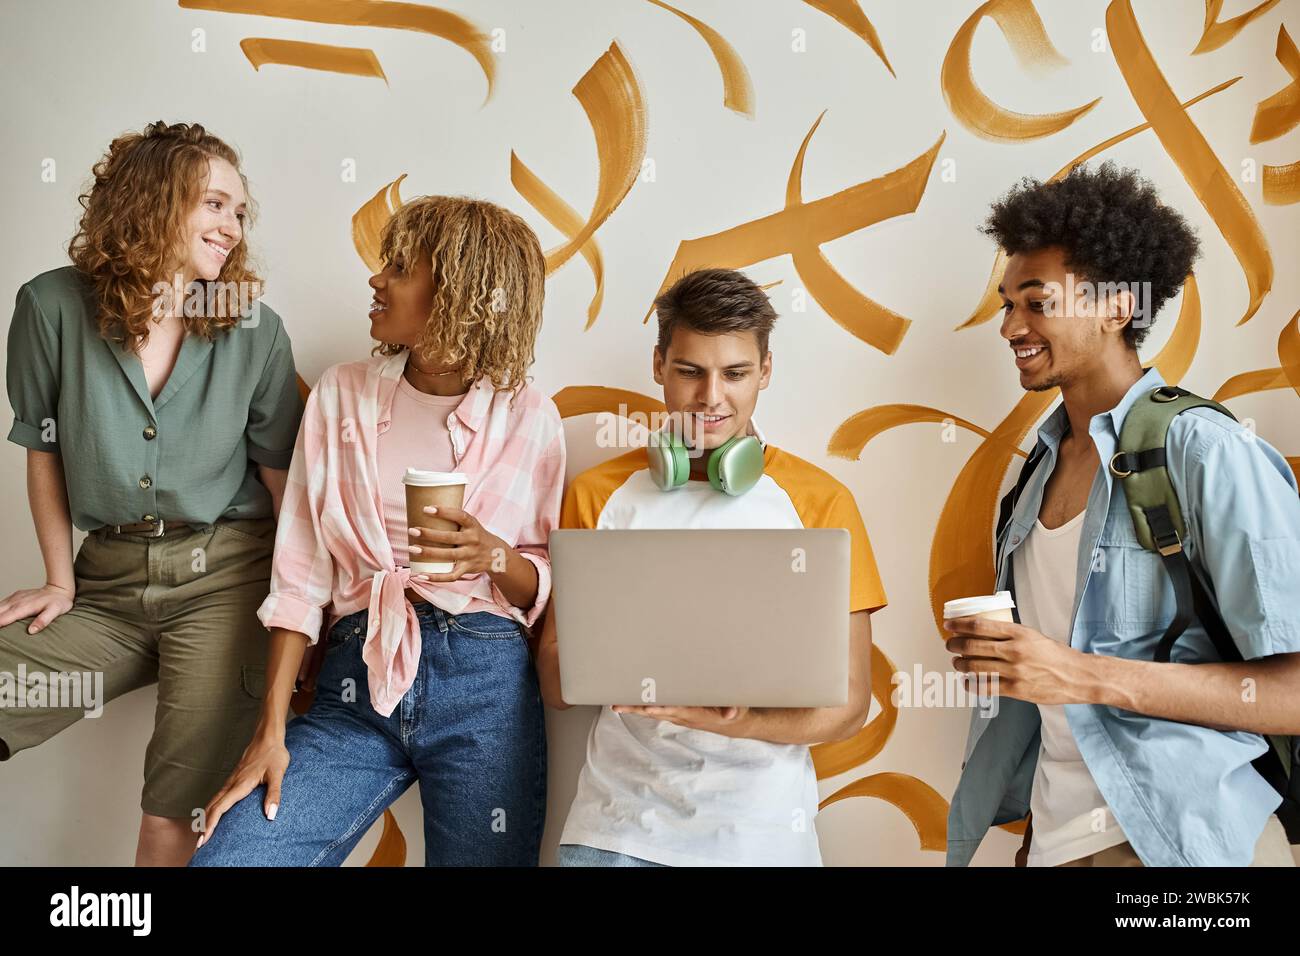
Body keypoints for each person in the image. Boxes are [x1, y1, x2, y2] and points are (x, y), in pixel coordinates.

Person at [190, 195, 564, 867]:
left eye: (399, 267)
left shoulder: (530, 416)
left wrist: (493, 552)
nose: (377, 279)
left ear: (459, 291)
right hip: (354, 677)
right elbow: (300, 576)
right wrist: (269, 731)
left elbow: (541, 577)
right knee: (233, 859)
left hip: (485, 680)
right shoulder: (342, 393)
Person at [945, 163, 1300, 867]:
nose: (1011, 324)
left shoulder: (1207, 451)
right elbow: (1050, 701)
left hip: (1179, 844)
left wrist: (1076, 673)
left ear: (1115, 307)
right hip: (1052, 843)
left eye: (1036, 301)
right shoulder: (1035, 473)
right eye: (1007, 302)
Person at [0, 121, 303, 866]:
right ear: (150, 202)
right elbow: (41, 447)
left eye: (239, 212)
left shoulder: (254, 332)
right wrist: (58, 580)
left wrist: (303, 622)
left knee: (177, 808)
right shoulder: (49, 308)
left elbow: (284, 485)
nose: (231, 227)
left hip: (225, 586)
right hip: (104, 584)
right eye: (213, 204)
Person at [538, 267, 886, 866]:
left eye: (736, 373)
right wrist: (630, 654)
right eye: (690, 372)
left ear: (766, 372)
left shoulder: (822, 502)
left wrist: (738, 719)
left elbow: (850, 706)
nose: (711, 398)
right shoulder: (597, 492)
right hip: (615, 834)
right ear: (658, 365)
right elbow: (554, 684)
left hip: (761, 838)